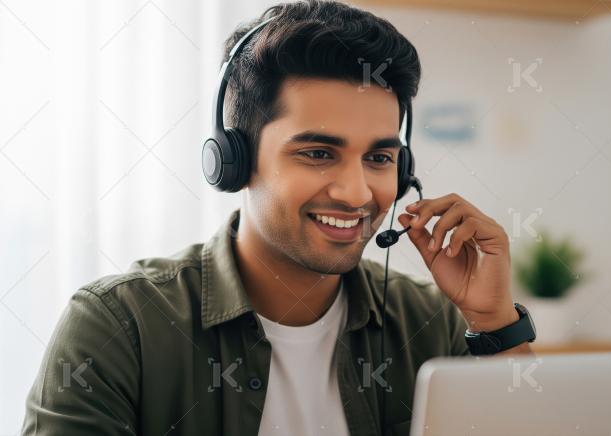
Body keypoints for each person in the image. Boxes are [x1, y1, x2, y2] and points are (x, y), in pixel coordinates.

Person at [22, 1, 533, 435]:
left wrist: (494, 323)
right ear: (232, 162)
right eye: (317, 153)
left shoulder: (430, 323)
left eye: (379, 159)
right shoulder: (118, 327)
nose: (358, 194)